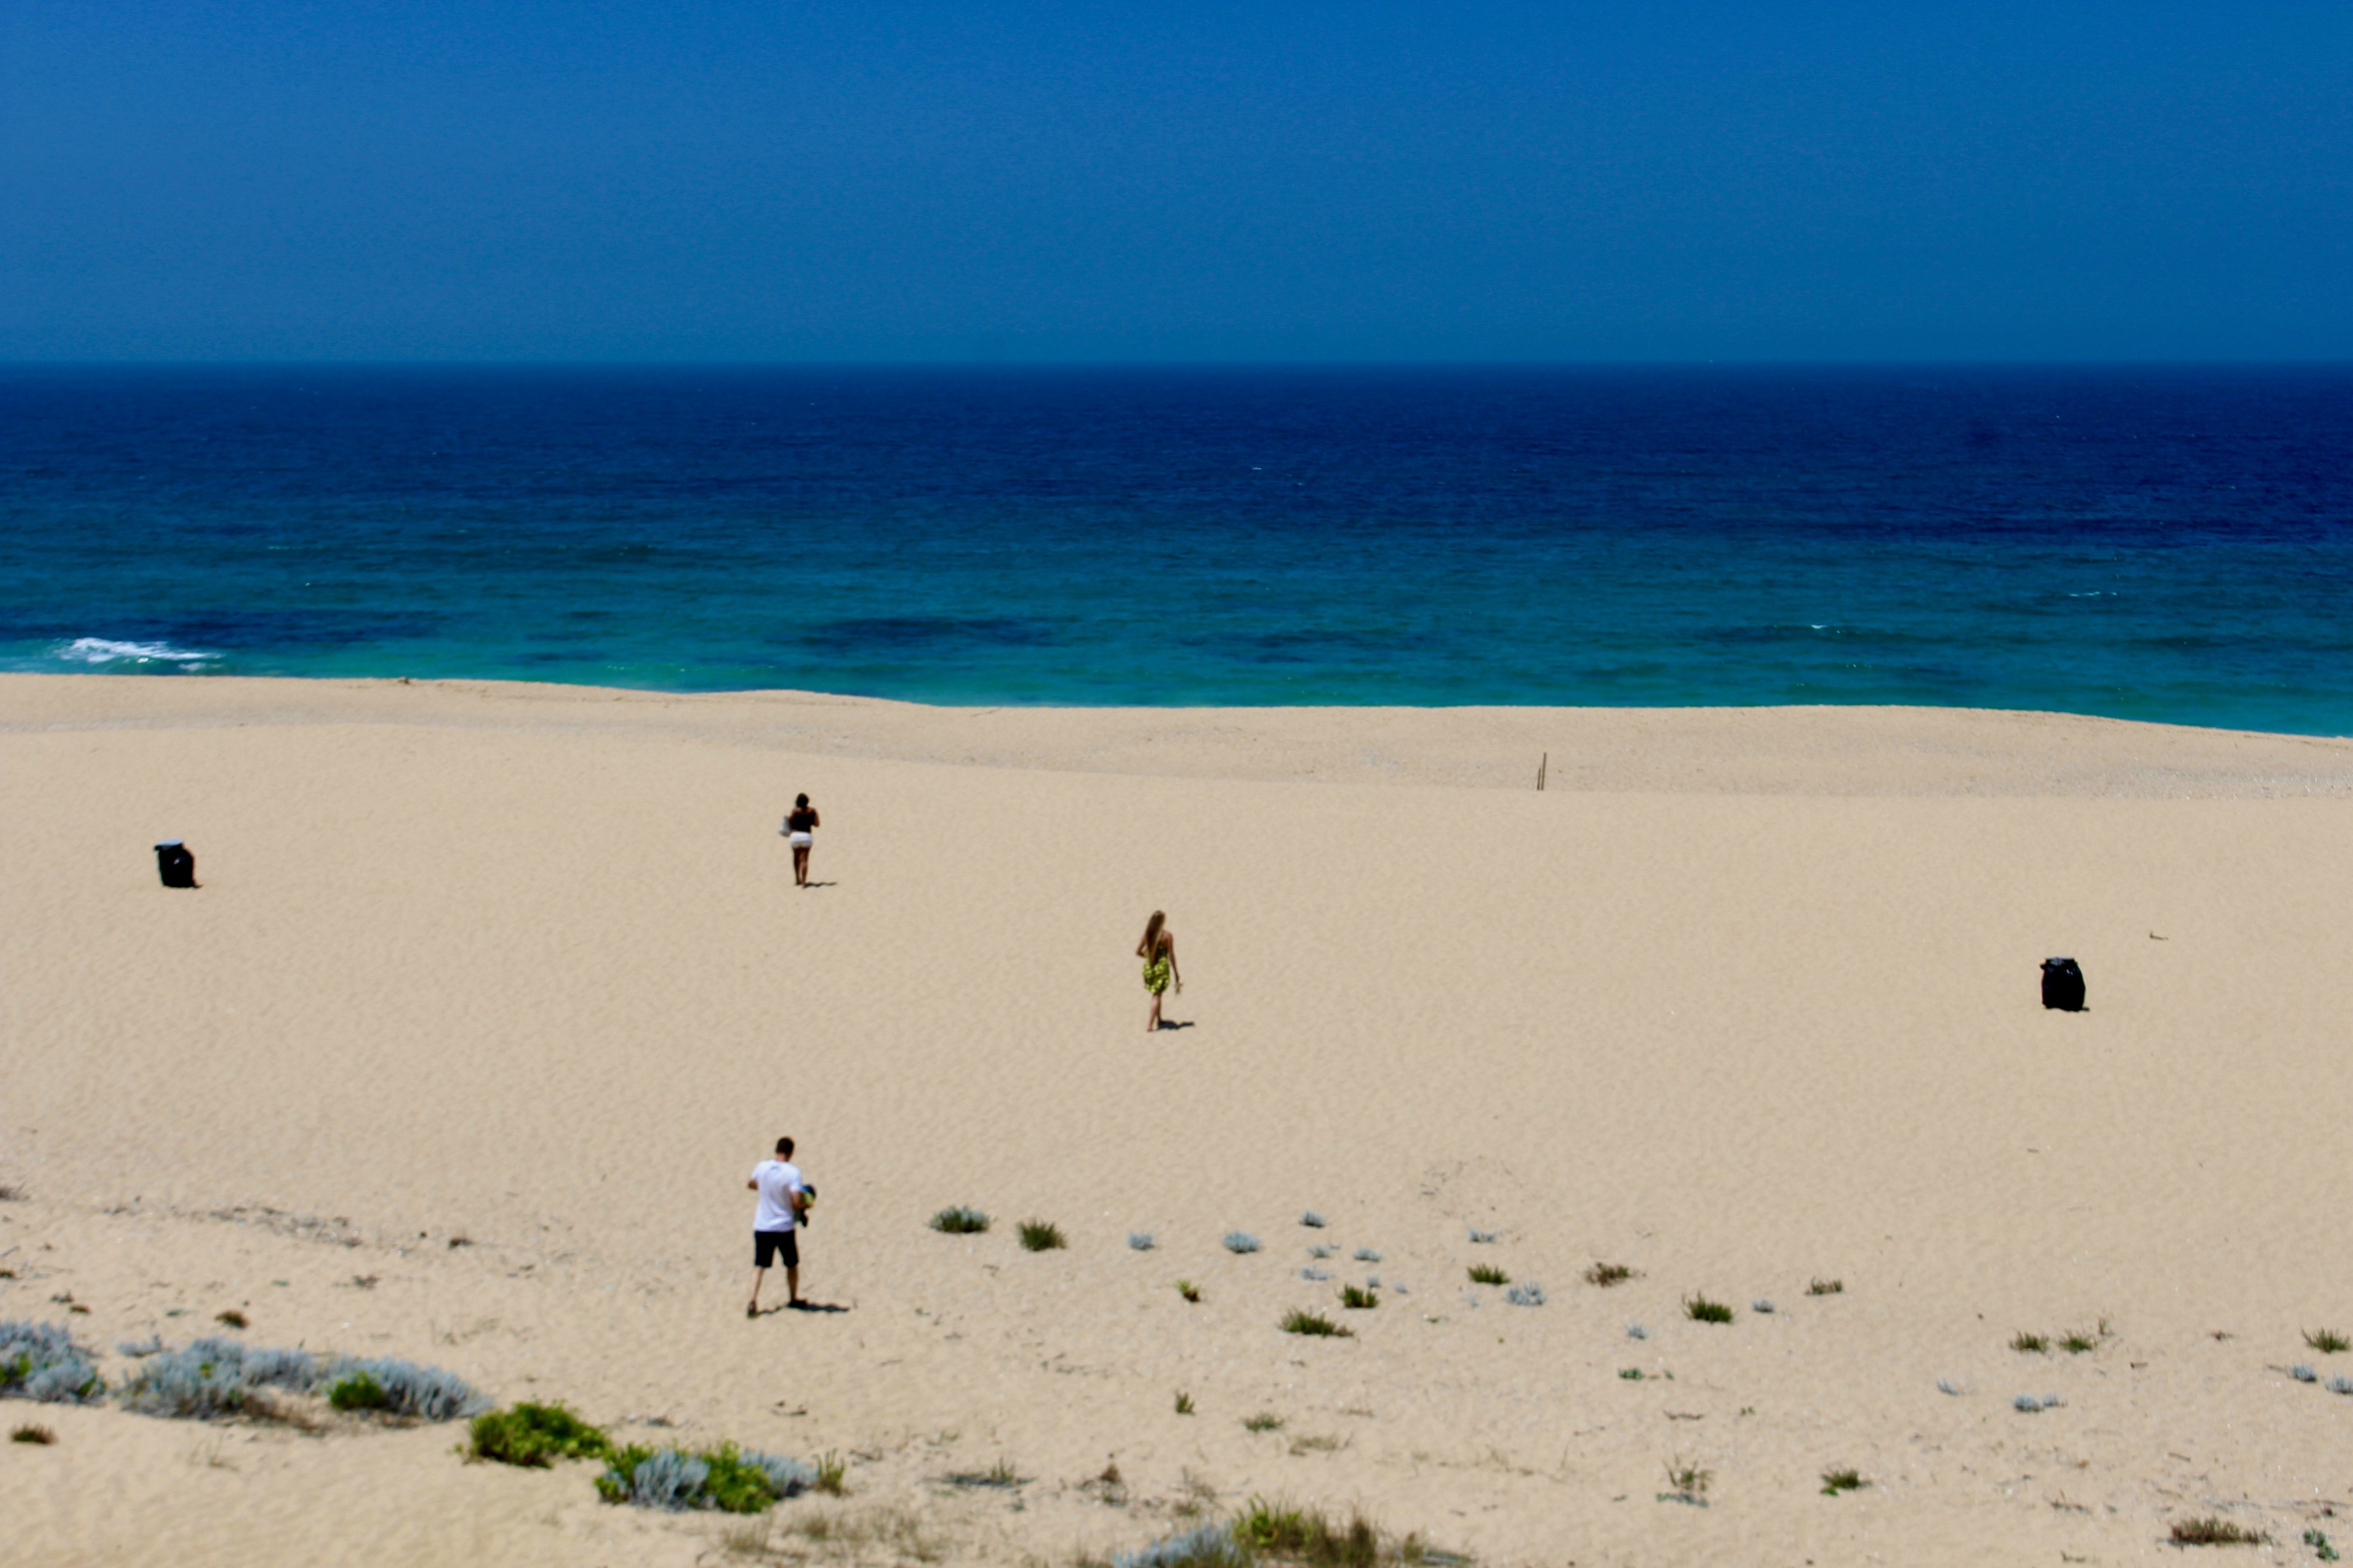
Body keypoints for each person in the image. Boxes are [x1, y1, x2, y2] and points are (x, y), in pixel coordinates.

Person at [746, 1135, 808, 1316]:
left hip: (762, 1225)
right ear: (791, 1152)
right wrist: (803, 1205)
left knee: (760, 1265)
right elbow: (796, 1200)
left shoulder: (762, 1167)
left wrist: (767, 1188)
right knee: (791, 1264)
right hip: (783, 1227)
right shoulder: (793, 1173)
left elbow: (751, 1184)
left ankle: (752, 1301)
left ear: (776, 1150)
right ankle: (793, 1297)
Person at [1136, 910, 1182, 1033]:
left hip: (1150, 967)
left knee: (1157, 994)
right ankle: (1150, 1026)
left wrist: (1149, 956)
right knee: (1157, 996)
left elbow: (1138, 951)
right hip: (1161, 968)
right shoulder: (1167, 936)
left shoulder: (1147, 934)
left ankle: (1159, 1019)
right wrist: (1176, 973)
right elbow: (1171, 955)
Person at [782, 794, 820, 887]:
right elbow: (817, 824)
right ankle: (804, 882)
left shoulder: (795, 811)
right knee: (804, 860)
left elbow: (791, 823)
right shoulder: (813, 811)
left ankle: (797, 879)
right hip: (806, 836)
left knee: (796, 858)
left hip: (795, 836)